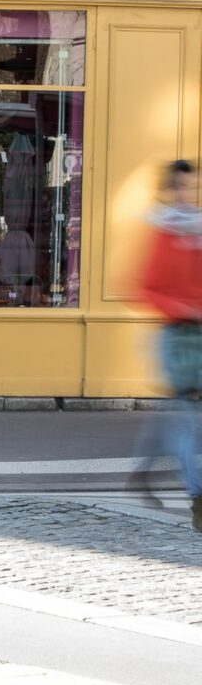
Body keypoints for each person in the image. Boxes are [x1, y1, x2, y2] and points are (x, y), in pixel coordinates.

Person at [135, 159, 202, 532]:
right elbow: (145, 287)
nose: (187, 195)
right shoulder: (162, 230)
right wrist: (180, 307)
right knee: (187, 421)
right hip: (176, 337)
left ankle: (142, 471)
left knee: (177, 418)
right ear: (169, 189)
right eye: (180, 187)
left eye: (193, 187)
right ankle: (198, 497)